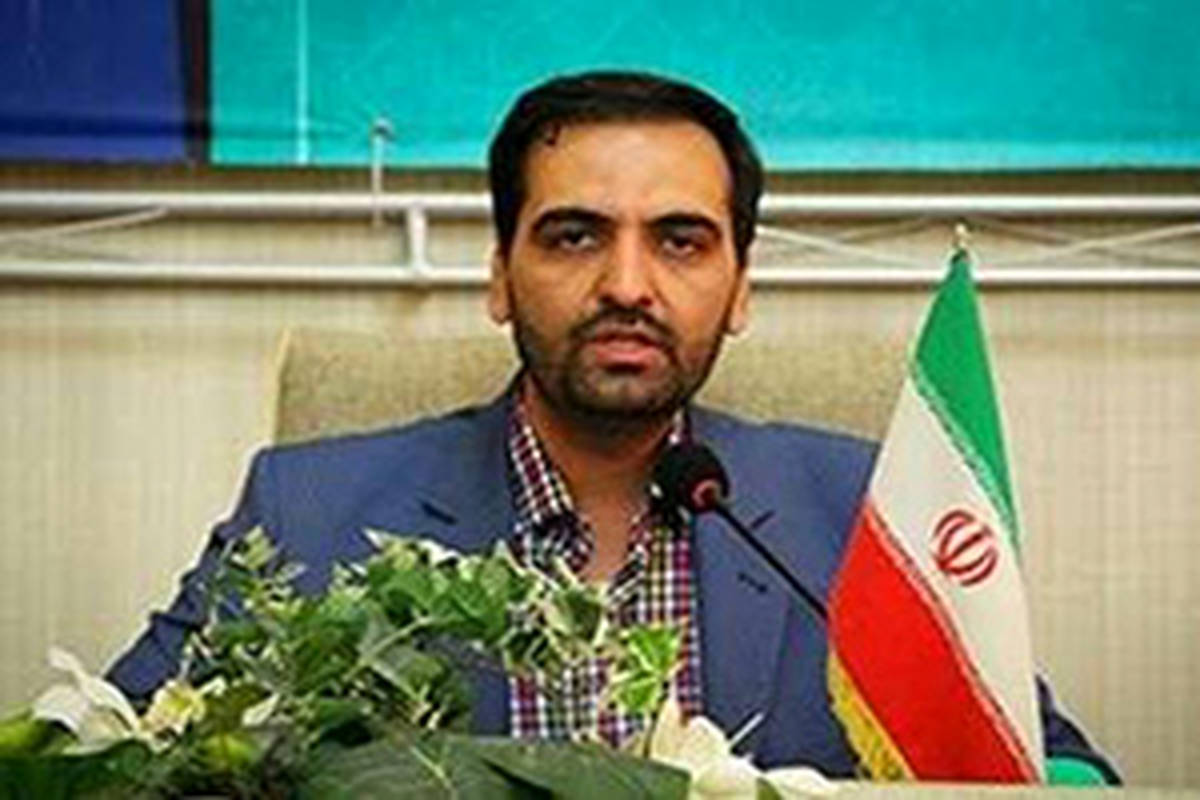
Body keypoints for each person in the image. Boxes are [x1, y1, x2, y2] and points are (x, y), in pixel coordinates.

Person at [106, 70, 1117, 782]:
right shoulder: (308, 507)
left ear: (741, 287)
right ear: (500, 276)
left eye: (680, 241)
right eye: (574, 236)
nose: (627, 284)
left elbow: (1046, 767)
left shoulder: (864, 512)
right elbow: (108, 755)